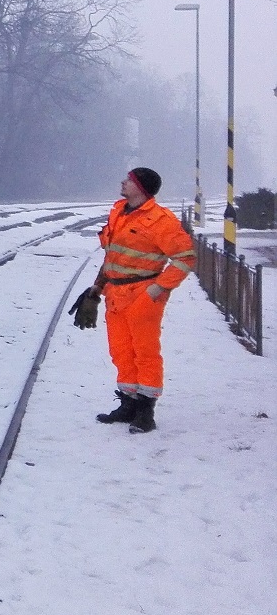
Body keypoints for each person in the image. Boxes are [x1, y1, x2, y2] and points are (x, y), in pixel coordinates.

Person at [73, 167, 197, 433]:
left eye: (128, 180)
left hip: (143, 294)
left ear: (140, 187)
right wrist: (98, 285)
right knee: (121, 351)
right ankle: (128, 404)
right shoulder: (119, 212)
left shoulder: (161, 220)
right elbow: (112, 255)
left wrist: (157, 289)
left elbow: (185, 257)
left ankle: (145, 412)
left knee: (145, 352)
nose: (123, 182)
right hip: (115, 294)